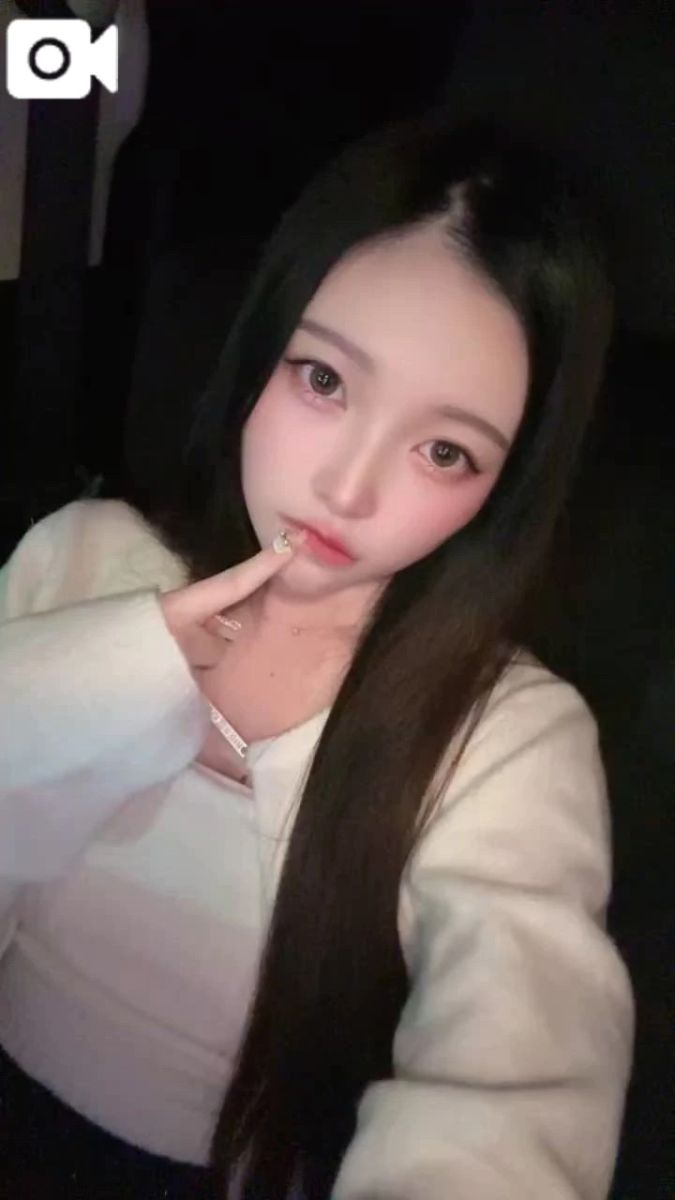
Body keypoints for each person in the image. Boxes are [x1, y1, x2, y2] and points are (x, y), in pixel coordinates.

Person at [0, 110, 634, 1200]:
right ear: (262, 346)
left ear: (502, 491)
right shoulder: (83, 558)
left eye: (444, 451)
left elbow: (517, 1064)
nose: (347, 488)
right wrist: (114, 661)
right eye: (325, 382)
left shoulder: (507, 734)